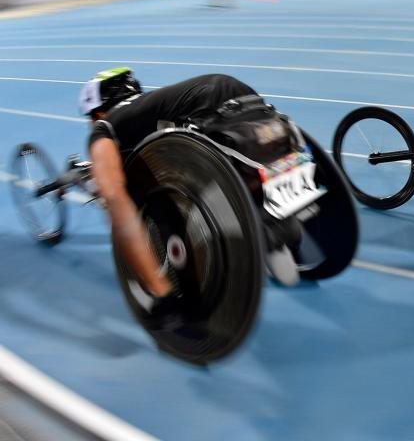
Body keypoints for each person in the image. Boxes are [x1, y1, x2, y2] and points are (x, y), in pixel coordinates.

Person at [80, 68, 298, 327]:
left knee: (121, 203)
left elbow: (113, 193)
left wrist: (161, 292)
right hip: (239, 93)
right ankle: (275, 224)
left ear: (98, 113)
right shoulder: (150, 106)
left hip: (208, 114)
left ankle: (167, 293)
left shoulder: (105, 127)